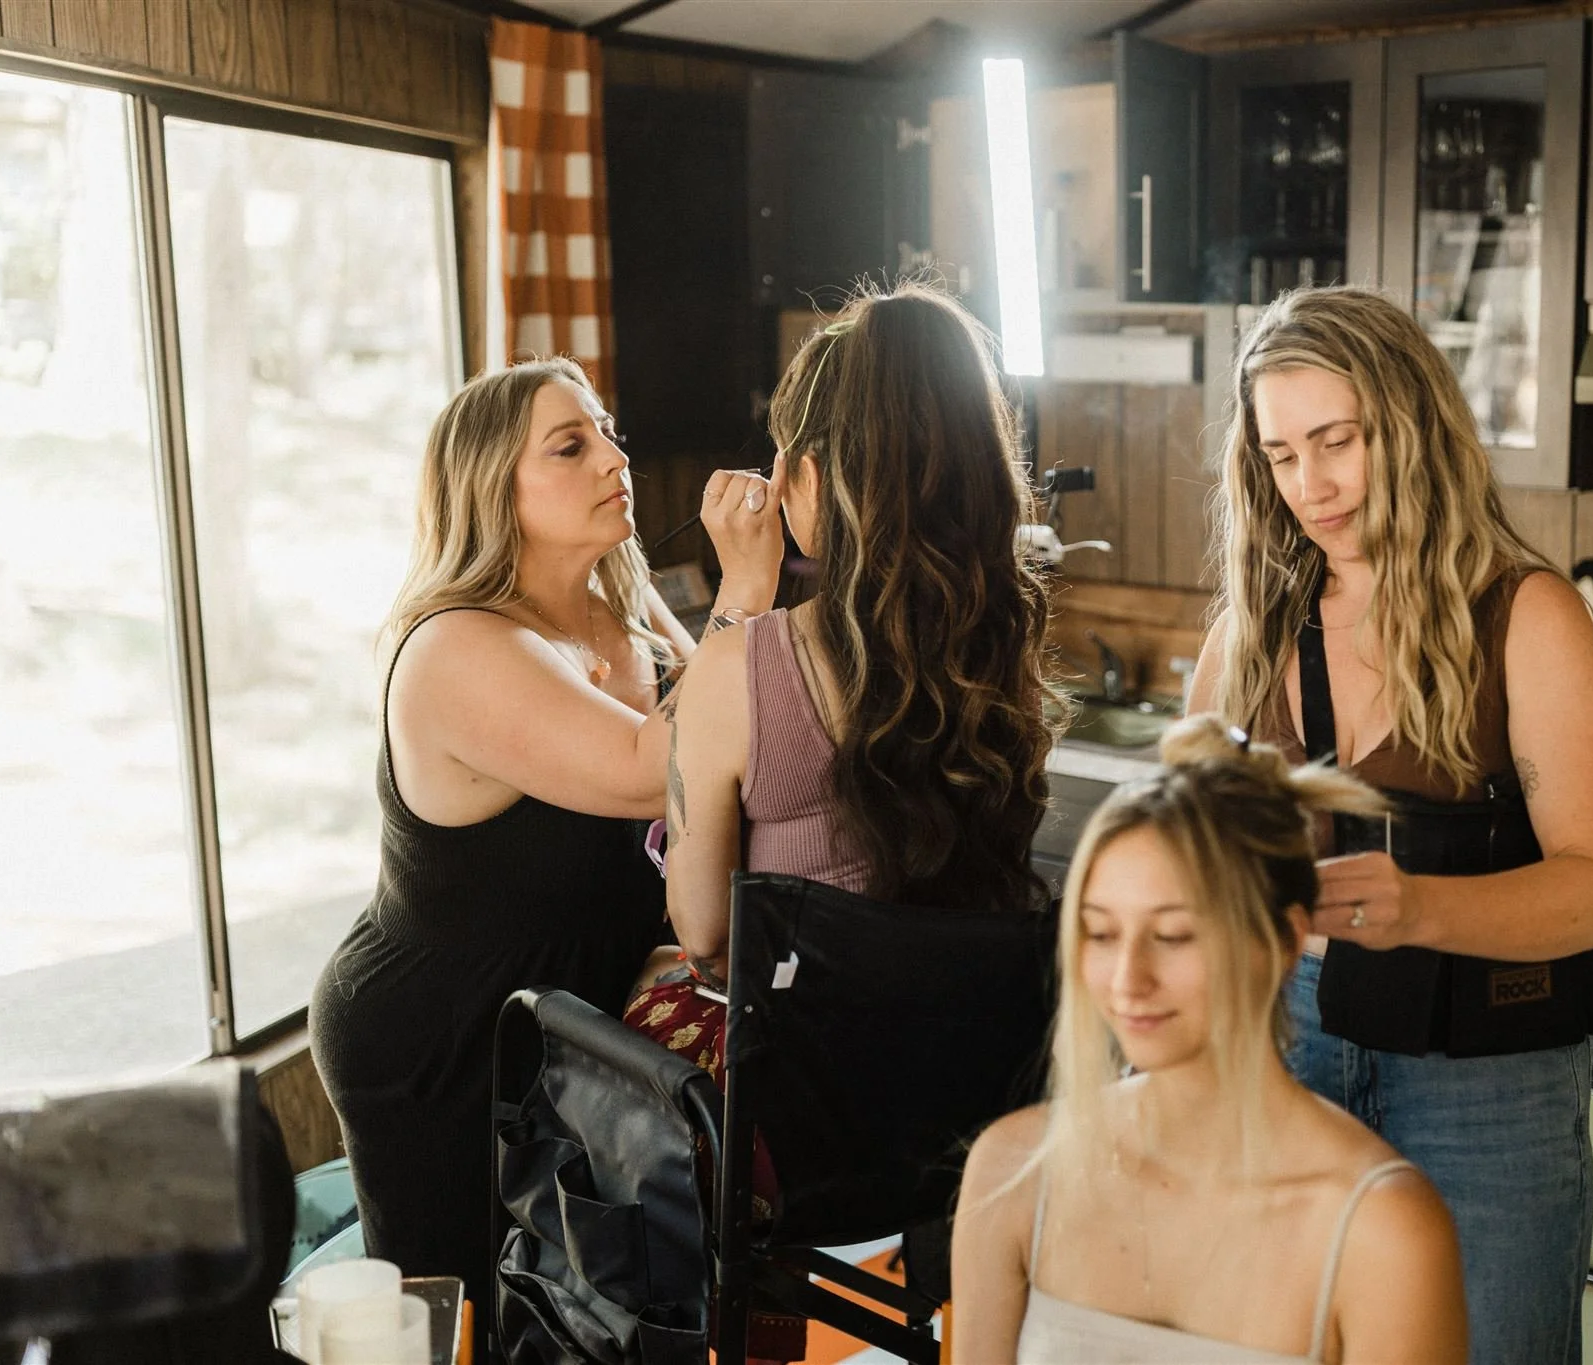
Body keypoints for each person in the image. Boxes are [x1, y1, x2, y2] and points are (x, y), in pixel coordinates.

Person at [1186, 287, 1593, 1364]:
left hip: (1484, 1085)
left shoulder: (1525, 615)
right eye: (1282, 456)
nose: (1312, 486)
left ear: (1411, 423)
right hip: (1288, 1049)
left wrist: (1414, 906)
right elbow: (1184, 853)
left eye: (1337, 441)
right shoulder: (1251, 636)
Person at [310, 356, 783, 1354]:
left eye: (605, 430)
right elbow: (651, 766)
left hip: (559, 1017)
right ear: (493, 489)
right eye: (570, 446)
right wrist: (746, 583)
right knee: (463, 1318)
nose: (613, 456)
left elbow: (730, 748)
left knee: (564, 1311)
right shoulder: (456, 649)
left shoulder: (621, 606)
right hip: (436, 1038)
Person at [952, 715, 1467, 1365]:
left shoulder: (1383, 1228)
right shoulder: (1012, 1170)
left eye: (1172, 936)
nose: (1128, 979)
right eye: (1101, 933)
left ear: (1279, 942)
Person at [625, 280, 1058, 1048]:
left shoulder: (736, 668)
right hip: (972, 1058)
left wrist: (742, 589)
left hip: (811, 1092)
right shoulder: (999, 641)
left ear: (815, 479)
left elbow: (705, 937)